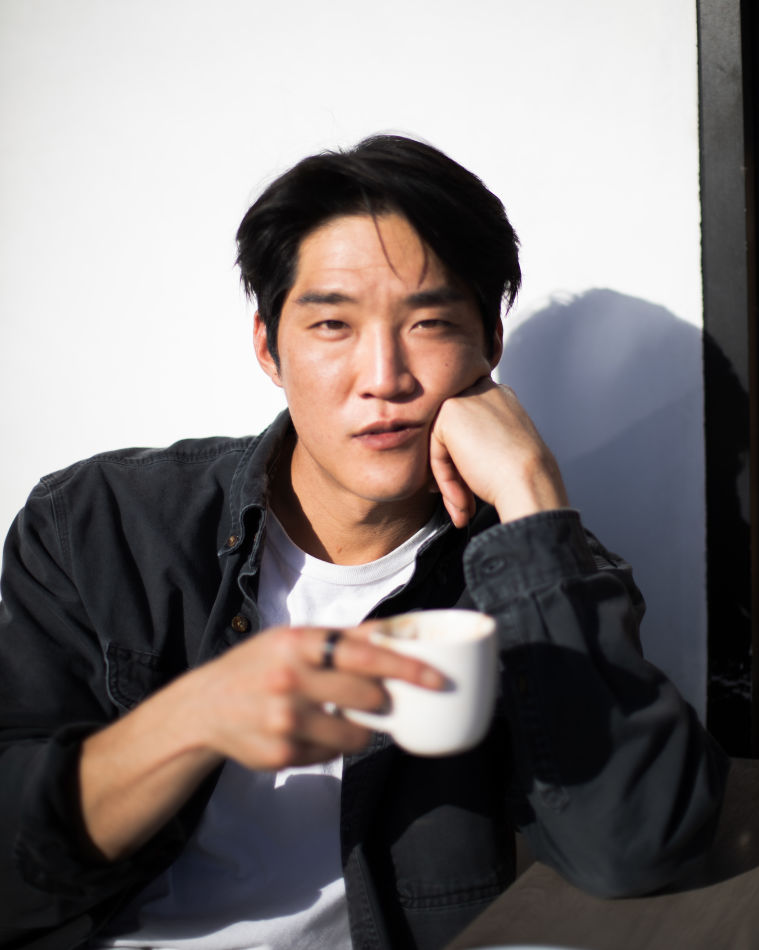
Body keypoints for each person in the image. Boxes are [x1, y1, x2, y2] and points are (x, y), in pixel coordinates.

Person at [0, 134, 728, 950]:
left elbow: (635, 849)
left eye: (429, 322)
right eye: (332, 324)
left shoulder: (534, 569)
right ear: (268, 347)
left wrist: (531, 486)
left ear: (488, 345)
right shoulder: (99, 524)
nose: (384, 376)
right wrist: (196, 717)